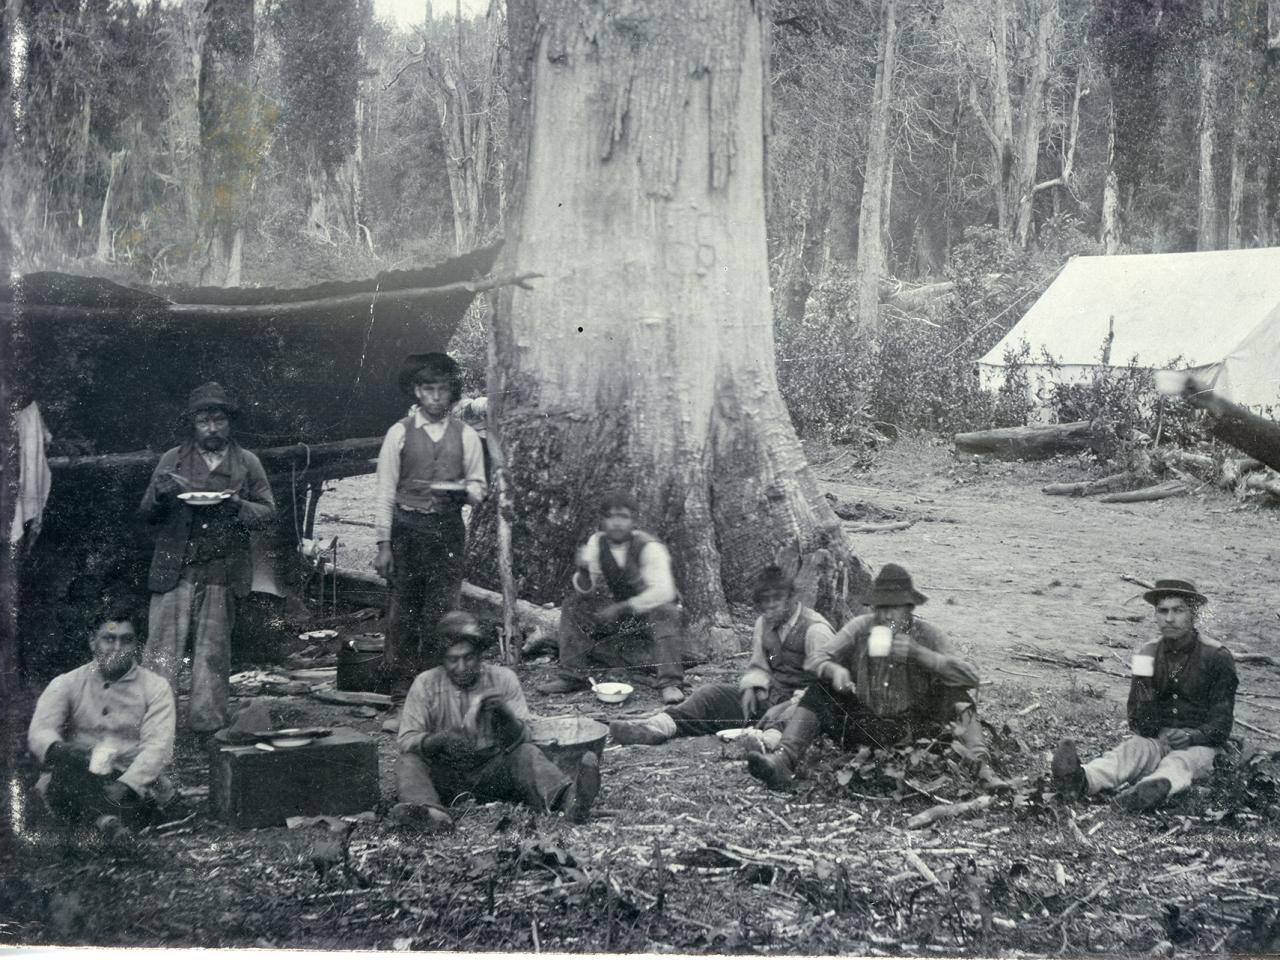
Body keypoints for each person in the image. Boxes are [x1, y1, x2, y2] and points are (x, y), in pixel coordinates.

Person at [746, 563, 1003, 790]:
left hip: (916, 730)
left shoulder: (927, 635)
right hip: (867, 726)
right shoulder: (861, 628)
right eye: (881, 608)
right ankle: (783, 760)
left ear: (909, 609)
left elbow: (971, 678)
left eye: (894, 609)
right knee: (822, 689)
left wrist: (922, 655)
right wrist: (834, 669)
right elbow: (816, 659)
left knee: (956, 695)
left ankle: (982, 769)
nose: (886, 616)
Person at [140, 382, 276, 733]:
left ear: (229, 422)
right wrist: (159, 494)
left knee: (213, 654)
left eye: (219, 420)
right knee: (161, 652)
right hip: (175, 567)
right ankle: (157, 728)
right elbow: (146, 513)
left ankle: (208, 727)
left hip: (223, 568)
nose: (212, 428)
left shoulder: (247, 463)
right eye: (204, 421)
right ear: (193, 424)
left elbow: (268, 513)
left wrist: (238, 506)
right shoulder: (173, 459)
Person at [391, 612, 600, 830]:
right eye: (453, 659)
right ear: (443, 659)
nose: (461, 667)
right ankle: (430, 814)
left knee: (527, 753)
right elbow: (406, 740)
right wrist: (440, 740)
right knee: (408, 762)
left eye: (468, 657)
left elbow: (526, 737)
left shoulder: (503, 679)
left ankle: (570, 801)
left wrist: (505, 715)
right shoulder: (425, 684)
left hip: (492, 773)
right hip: (445, 773)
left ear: (480, 654)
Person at [1051, 578, 1238, 812]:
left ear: (1194, 615)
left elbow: (1222, 725)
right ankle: (1080, 779)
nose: (1169, 618)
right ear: (1155, 615)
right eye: (1163, 611)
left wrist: (1191, 737)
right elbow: (1138, 719)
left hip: (1202, 748)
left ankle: (1145, 793)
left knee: (1179, 763)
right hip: (1159, 740)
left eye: (1178, 610)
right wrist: (1148, 700)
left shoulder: (1217, 656)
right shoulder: (1147, 654)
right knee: (1131, 750)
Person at [609, 564, 834, 747]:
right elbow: (760, 666)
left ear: (793, 597)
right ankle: (657, 726)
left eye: (777, 600)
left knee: (796, 714)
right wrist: (752, 688)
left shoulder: (815, 630)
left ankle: (768, 744)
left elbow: (825, 692)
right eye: (764, 602)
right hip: (772, 700)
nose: (770, 607)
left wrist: (783, 708)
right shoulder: (764, 623)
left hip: (804, 707)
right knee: (711, 694)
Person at [373, 353, 487, 702]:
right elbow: (385, 491)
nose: (436, 397)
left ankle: (437, 684)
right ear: (416, 392)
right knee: (403, 609)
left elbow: (479, 488)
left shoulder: (466, 435)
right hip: (407, 528)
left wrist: (464, 493)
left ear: (452, 393)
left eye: (443, 389)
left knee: (442, 609)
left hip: (447, 531)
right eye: (428, 389)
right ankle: (400, 685)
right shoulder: (399, 434)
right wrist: (383, 544)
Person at [28, 601, 176, 836]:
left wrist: (127, 784)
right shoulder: (67, 683)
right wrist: (65, 750)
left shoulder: (156, 688)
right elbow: (41, 730)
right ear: (92, 641)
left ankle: (100, 820)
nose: (117, 647)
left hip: (128, 776)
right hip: (77, 773)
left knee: (133, 799)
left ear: (136, 644)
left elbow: (158, 747)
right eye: (109, 639)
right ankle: (105, 822)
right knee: (64, 781)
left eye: (126, 640)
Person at [537, 491, 686, 705]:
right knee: (573, 606)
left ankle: (670, 682)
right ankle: (572, 675)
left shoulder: (650, 547)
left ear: (633, 520)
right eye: (610, 516)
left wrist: (622, 607)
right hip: (628, 617)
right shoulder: (598, 542)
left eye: (623, 517)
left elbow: (664, 593)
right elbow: (586, 591)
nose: (616, 523)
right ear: (602, 519)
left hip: (656, 618)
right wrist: (584, 571)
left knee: (666, 611)